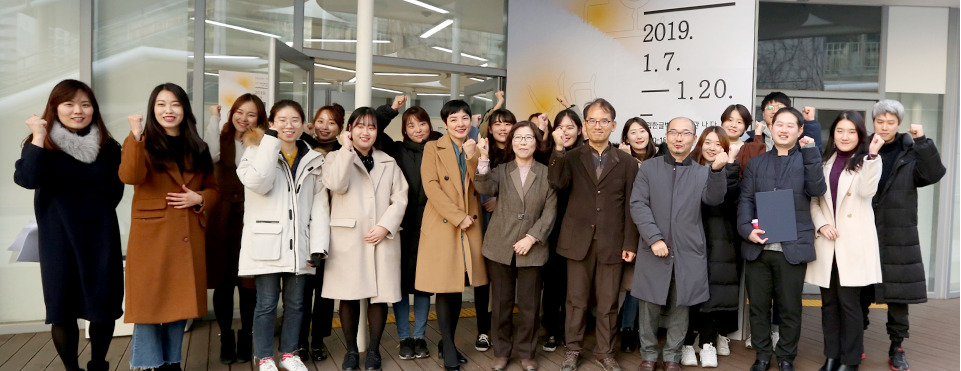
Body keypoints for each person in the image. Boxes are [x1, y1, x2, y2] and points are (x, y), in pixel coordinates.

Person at [14, 79, 124, 371]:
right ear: (55, 108)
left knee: (103, 308)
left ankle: (98, 365)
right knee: (63, 311)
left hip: (101, 238)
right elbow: (28, 179)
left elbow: (115, 192)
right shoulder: (42, 146)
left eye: (85, 104)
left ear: (94, 109)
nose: (78, 110)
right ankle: (71, 370)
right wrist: (38, 135)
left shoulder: (108, 146)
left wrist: (92, 215)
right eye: (69, 104)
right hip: (58, 241)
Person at [119, 83, 219, 371]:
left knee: (179, 304)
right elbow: (130, 175)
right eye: (161, 104)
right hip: (151, 237)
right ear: (152, 109)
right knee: (149, 305)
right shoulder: (140, 141)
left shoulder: (198, 146)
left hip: (186, 234)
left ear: (184, 109)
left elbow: (213, 189)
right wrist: (136, 136)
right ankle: (149, 364)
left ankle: (172, 362)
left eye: (175, 104)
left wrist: (199, 197)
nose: (168, 110)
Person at [236, 100, 328, 371]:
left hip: (301, 242)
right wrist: (269, 143)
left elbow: (320, 207)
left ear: (303, 124)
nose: (289, 125)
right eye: (282, 120)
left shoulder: (313, 157)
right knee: (265, 304)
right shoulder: (255, 152)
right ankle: (264, 357)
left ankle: (289, 354)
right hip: (267, 241)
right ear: (271, 123)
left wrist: (319, 246)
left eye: (295, 120)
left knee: (296, 304)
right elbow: (258, 183)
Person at [548, 98, 639, 371]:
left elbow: (632, 206)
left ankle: (605, 352)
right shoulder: (571, 156)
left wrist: (630, 242)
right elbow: (556, 182)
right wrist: (559, 149)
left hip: (613, 242)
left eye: (604, 121)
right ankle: (573, 349)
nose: (598, 125)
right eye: (592, 120)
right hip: (578, 241)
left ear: (613, 125)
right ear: (584, 126)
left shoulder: (627, 162)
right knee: (575, 300)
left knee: (609, 302)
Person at [630, 119, 727, 371]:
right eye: (673, 132)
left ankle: (672, 356)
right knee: (649, 304)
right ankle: (649, 355)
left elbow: (714, 199)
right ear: (666, 136)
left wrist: (716, 171)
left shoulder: (703, 172)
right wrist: (654, 238)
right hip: (654, 248)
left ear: (694, 139)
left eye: (685, 133)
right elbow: (638, 204)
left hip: (688, 250)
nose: (678, 138)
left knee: (680, 304)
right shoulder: (649, 168)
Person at [738, 107, 826, 371]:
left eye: (791, 125)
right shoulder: (757, 163)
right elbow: (746, 199)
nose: (784, 129)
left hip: (793, 246)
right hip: (759, 247)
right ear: (771, 127)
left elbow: (817, 189)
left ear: (800, 130)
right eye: (779, 124)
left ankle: (786, 357)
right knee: (759, 307)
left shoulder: (808, 159)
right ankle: (763, 356)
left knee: (790, 308)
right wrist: (746, 229)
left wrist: (811, 152)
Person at [322, 107, 409, 371]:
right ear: (349, 130)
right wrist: (346, 151)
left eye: (371, 127)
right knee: (349, 297)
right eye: (359, 126)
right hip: (349, 238)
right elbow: (336, 184)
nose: (366, 132)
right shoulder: (335, 158)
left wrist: (385, 226)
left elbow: (401, 197)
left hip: (381, 237)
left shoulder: (388, 161)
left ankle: (373, 351)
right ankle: (351, 351)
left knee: (379, 297)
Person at [863, 99, 945, 371]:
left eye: (890, 122)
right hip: (864, 230)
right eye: (879, 121)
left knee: (898, 297)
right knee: (859, 291)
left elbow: (933, 174)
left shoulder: (910, 150)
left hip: (899, 232)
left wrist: (923, 142)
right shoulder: (862, 147)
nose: (884, 127)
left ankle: (897, 347)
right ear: (872, 122)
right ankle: (855, 342)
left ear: (899, 124)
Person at [804, 111, 885, 371]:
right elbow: (815, 200)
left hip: (854, 244)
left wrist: (872, 156)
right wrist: (822, 224)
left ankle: (850, 361)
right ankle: (831, 357)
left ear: (860, 135)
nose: (845, 136)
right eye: (840, 130)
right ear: (833, 134)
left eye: (851, 131)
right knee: (829, 304)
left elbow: (866, 191)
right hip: (828, 242)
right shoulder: (824, 160)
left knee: (850, 305)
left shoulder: (868, 162)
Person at [475, 121, 558, 371]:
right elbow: (484, 187)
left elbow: (550, 211)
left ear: (537, 143)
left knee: (530, 305)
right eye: (518, 138)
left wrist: (532, 237)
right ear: (511, 143)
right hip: (500, 246)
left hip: (533, 248)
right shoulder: (501, 170)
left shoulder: (547, 173)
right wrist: (483, 159)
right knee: (500, 304)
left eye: (528, 138)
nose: (523, 142)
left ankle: (527, 353)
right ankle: (501, 352)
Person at [416, 100, 487, 371]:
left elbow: (481, 184)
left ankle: (449, 342)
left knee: (459, 285)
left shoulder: (477, 147)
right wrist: (458, 216)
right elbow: (431, 187)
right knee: (446, 287)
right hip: (445, 223)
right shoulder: (432, 147)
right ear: (445, 123)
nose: (460, 123)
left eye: (465, 118)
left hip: (471, 225)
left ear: (471, 121)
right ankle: (447, 345)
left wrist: (473, 155)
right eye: (454, 119)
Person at [376, 105, 443, 360]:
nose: (417, 130)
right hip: (401, 229)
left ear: (430, 125)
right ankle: (404, 338)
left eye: (422, 124)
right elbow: (374, 127)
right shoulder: (396, 150)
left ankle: (420, 337)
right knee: (402, 285)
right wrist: (390, 110)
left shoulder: (439, 149)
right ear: (404, 130)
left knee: (425, 286)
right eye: (411, 125)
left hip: (430, 229)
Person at [204, 94, 266, 364]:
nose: (244, 118)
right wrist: (214, 118)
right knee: (224, 282)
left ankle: (247, 337)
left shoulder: (264, 142)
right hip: (222, 219)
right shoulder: (223, 139)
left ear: (259, 118)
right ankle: (226, 336)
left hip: (252, 217)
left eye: (250, 114)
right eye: (239, 112)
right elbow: (207, 154)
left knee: (250, 283)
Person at [678, 126, 742, 368]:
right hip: (690, 239)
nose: (712, 147)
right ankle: (686, 344)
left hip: (719, 242)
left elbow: (730, 196)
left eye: (718, 144)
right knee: (688, 295)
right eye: (708, 142)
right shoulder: (687, 168)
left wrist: (731, 164)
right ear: (699, 143)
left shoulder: (730, 171)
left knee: (712, 296)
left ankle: (708, 346)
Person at [539, 108, 583, 352]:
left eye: (570, 127)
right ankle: (552, 330)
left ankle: (570, 331)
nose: (565, 132)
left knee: (574, 285)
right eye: (561, 127)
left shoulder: (585, 156)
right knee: (553, 284)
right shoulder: (546, 155)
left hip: (578, 229)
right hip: (552, 228)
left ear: (580, 130)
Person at [614, 116, 657, 352]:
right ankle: (627, 328)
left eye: (643, 131)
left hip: (654, 228)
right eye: (633, 132)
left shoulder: (661, 158)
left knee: (646, 281)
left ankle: (634, 325)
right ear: (625, 138)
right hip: (628, 227)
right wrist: (625, 162)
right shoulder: (619, 159)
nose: (639, 136)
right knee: (632, 282)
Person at [737, 92, 822, 174]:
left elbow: (814, 160)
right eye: (770, 108)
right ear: (763, 114)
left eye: (780, 107)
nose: (774, 111)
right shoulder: (750, 138)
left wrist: (810, 122)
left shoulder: (796, 136)